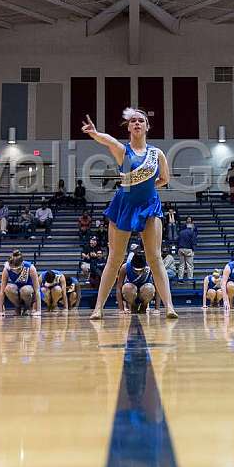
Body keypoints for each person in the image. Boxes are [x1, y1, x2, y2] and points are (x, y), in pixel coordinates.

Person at [82, 108, 178, 320]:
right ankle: (98, 308)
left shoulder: (157, 153)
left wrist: (148, 187)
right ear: (128, 126)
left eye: (140, 120)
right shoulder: (123, 152)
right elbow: (109, 141)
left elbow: (164, 178)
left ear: (147, 126)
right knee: (115, 259)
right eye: (132, 120)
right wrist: (96, 134)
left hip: (149, 205)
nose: (136, 123)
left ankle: (170, 306)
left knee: (155, 257)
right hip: (124, 204)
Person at [0, 250, 42, 316]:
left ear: (22, 264)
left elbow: (37, 290)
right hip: (16, 291)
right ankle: (17, 306)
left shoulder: (30, 267)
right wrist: (0, 311)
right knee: (8, 288)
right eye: (13, 269)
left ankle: (27, 307)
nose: (15, 271)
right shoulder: (6, 268)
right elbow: (2, 291)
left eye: (17, 269)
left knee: (25, 290)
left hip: (29, 292)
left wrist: (38, 310)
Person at [118, 248, 156, 314]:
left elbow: (158, 286)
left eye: (141, 270)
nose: (138, 273)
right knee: (127, 288)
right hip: (131, 293)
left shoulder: (151, 267)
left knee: (149, 288)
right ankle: (133, 305)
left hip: (145, 292)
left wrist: (157, 309)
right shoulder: (125, 267)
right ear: (132, 265)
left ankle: (144, 305)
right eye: (136, 270)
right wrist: (121, 309)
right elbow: (119, 287)